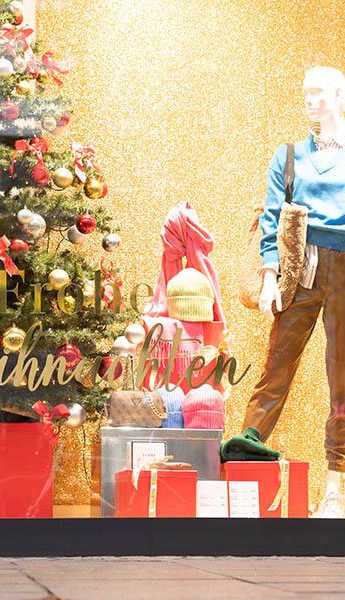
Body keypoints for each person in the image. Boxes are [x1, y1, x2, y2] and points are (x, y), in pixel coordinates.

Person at [242, 66, 345, 517]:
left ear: (340, 97)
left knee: (341, 380)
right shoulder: (289, 156)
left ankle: (335, 488)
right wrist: (269, 275)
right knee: (276, 366)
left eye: (319, 93)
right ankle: (242, 460)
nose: (310, 101)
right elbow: (270, 217)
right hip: (302, 266)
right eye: (306, 93)